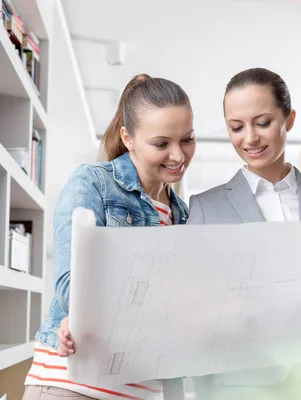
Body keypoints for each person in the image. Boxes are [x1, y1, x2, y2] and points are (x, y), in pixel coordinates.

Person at [188, 67, 301, 400]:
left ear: (290, 118)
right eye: (236, 127)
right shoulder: (203, 208)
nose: (250, 138)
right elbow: (192, 309)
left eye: (263, 122)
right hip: (242, 385)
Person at [22, 74, 196, 400]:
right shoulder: (93, 184)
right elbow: (70, 285)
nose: (178, 155)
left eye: (187, 139)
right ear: (128, 138)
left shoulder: (184, 215)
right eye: (161, 144)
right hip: (71, 386)